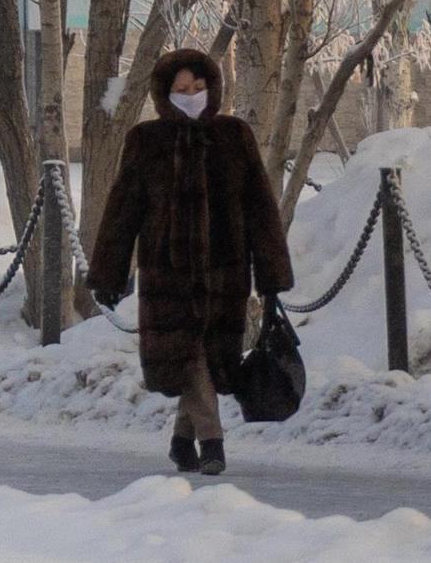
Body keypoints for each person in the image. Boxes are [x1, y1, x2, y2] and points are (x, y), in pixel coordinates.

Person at [86, 45, 292, 475]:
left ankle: (182, 441)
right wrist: (108, 271)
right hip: (168, 278)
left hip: (226, 274)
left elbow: (260, 208)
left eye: (198, 86)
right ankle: (212, 443)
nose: (192, 94)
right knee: (193, 352)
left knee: (206, 359)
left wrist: (272, 274)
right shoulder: (146, 141)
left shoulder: (234, 137)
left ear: (212, 88)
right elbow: (123, 209)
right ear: (165, 93)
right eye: (182, 88)